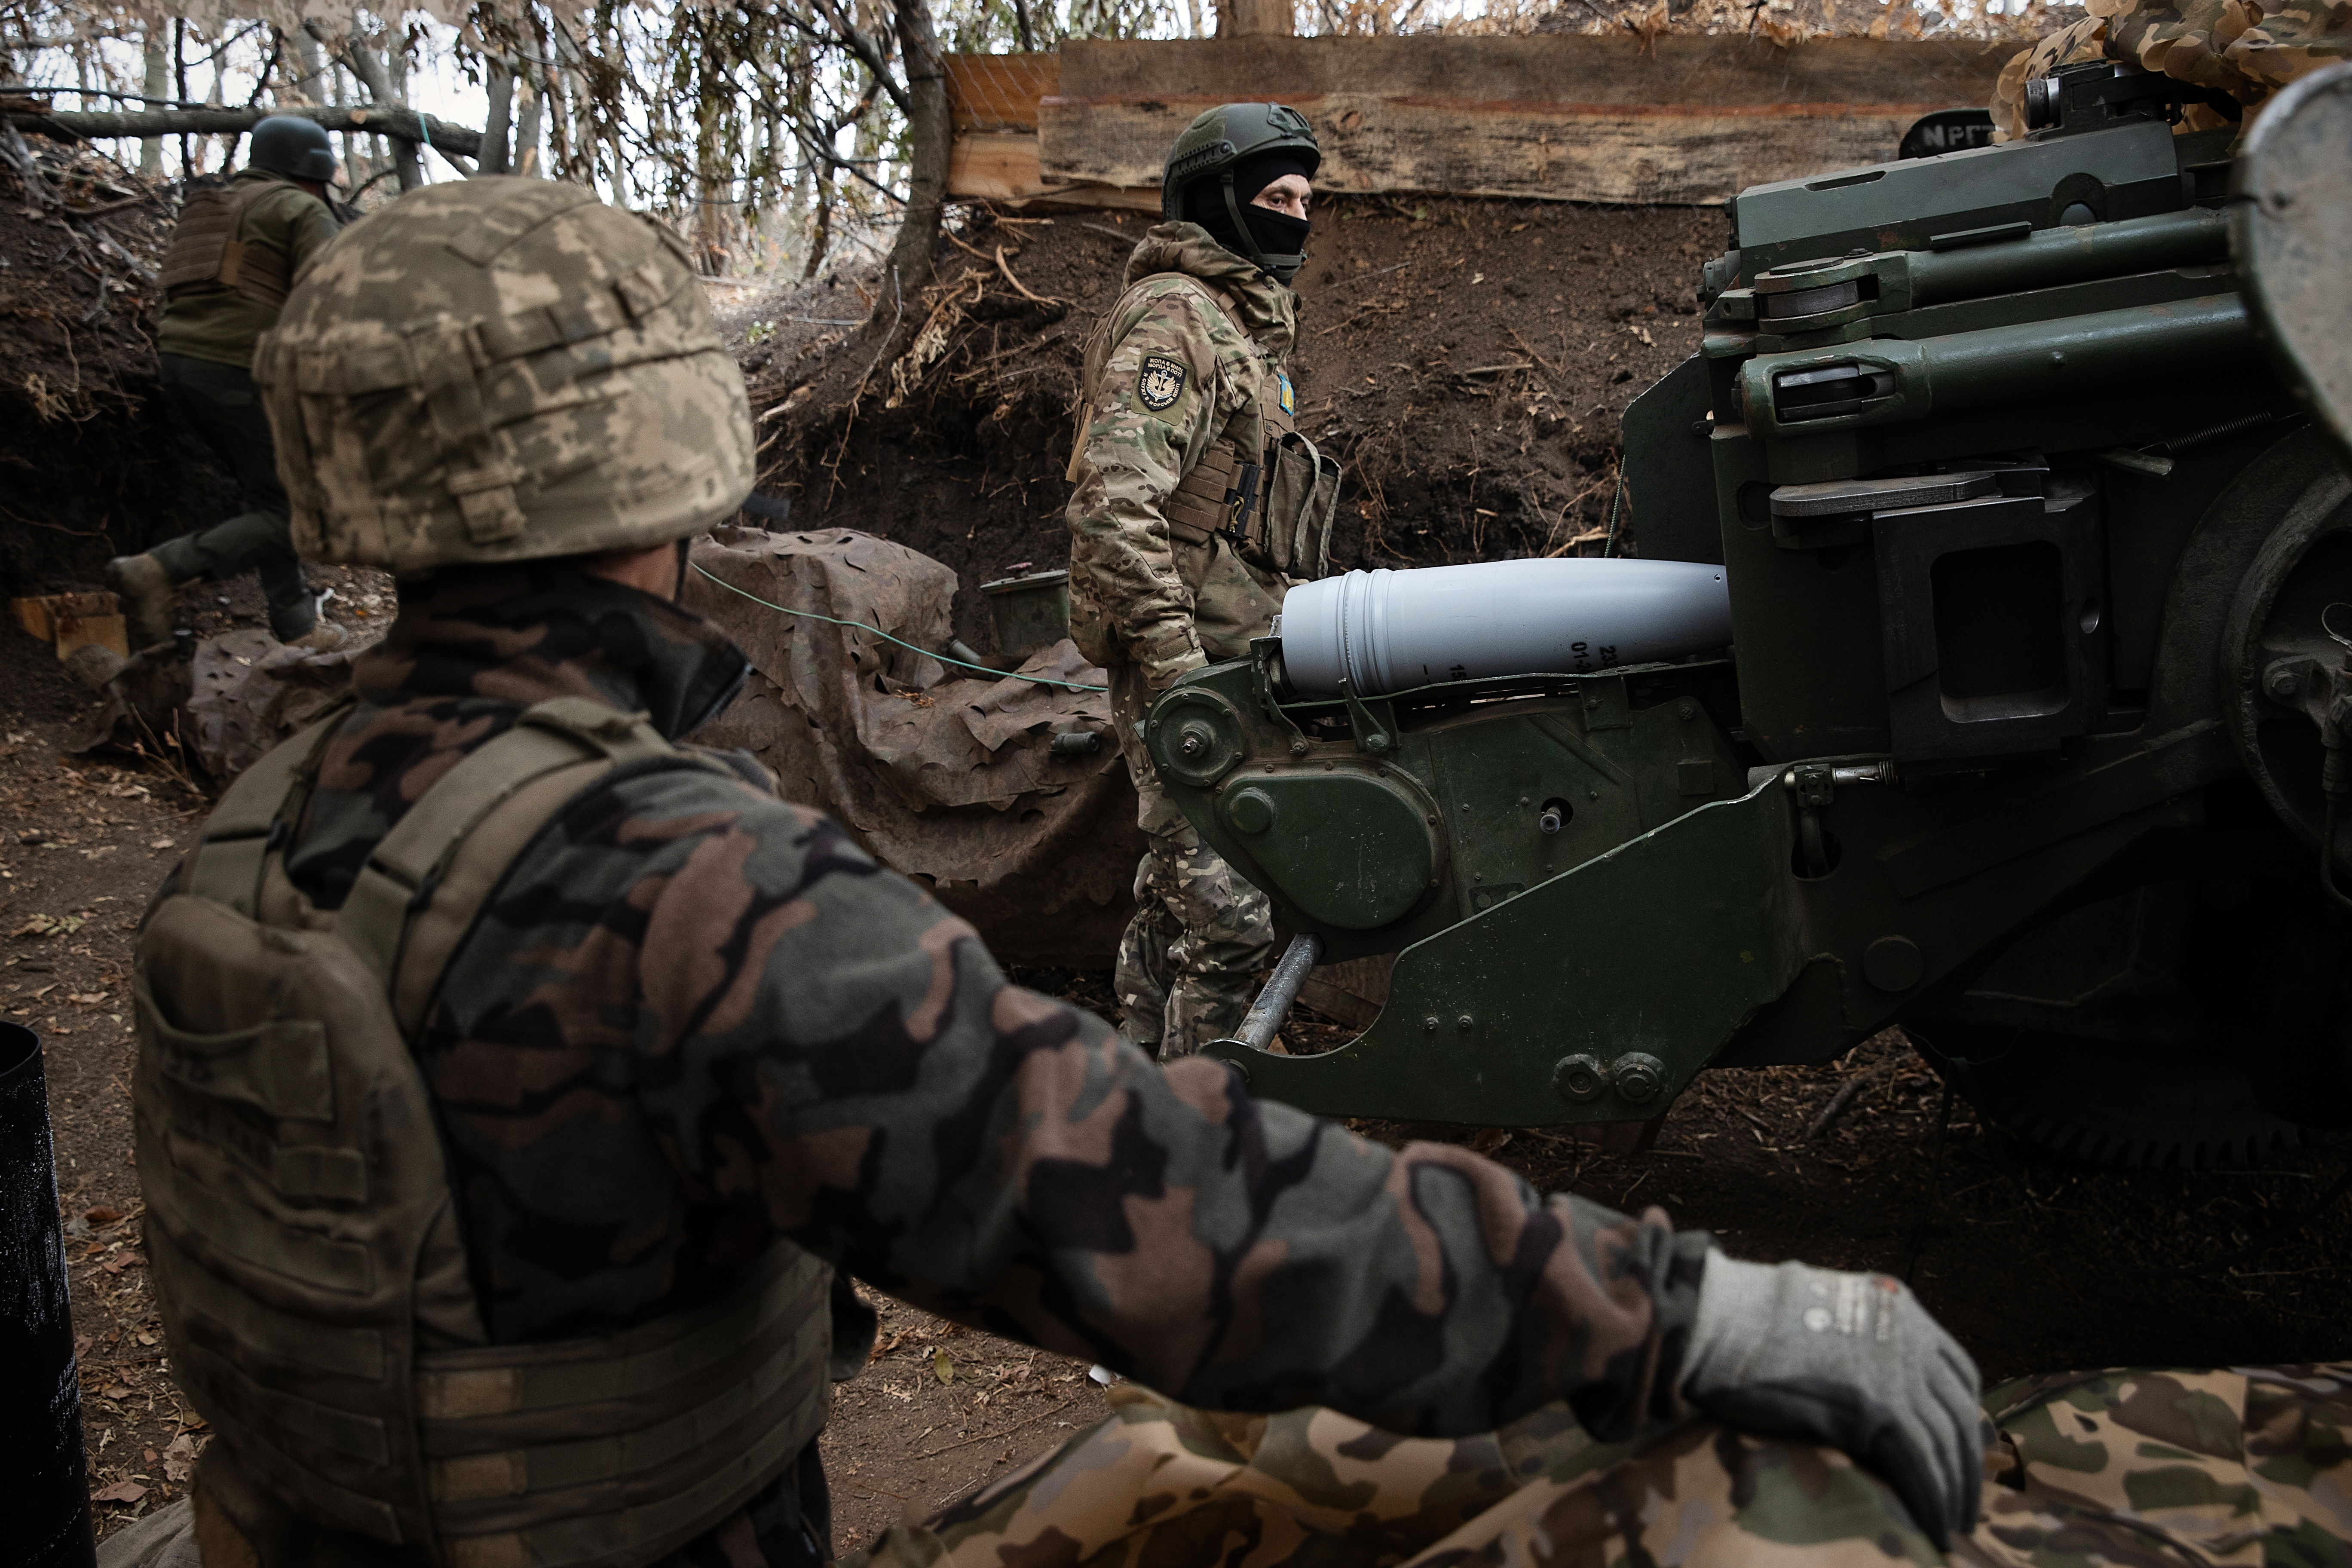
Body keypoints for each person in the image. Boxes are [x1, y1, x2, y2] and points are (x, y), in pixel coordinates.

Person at [118, 178, 1980, 1568]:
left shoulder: (264, 814)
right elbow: (1170, 1214)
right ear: (663, 460)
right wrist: (1681, 1306)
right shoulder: (671, 888)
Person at [1063, 103, 1343, 1063]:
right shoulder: (1176, 317)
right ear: (1215, 201)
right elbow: (1112, 507)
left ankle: (1130, 1092)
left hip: (1229, 654)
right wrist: (1178, 667)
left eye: (1306, 198)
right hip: (1181, 660)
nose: (1297, 216)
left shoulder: (1236, 331)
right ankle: (1202, 1151)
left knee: (1176, 900)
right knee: (1232, 926)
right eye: (1275, 197)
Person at [108, 114, 346, 655]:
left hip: (182, 364)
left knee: (271, 497)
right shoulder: (299, 208)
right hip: (242, 369)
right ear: (310, 171)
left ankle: (297, 625)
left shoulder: (214, 207)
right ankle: (160, 569)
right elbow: (334, 296)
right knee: (296, 512)